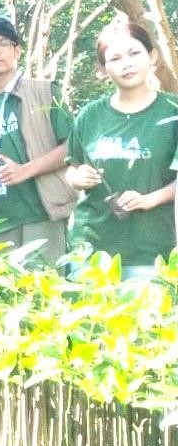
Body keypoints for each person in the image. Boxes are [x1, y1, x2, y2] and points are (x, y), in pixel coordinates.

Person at [63, 18, 178, 274]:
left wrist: (149, 200)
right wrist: (78, 177)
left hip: (152, 249)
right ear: (103, 69)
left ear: (153, 56)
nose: (126, 63)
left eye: (134, 53)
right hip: (91, 249)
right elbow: (72, 167)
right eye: (114, 59)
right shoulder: (90, 115)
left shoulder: (173, 111)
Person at [0, 15, 75, 262]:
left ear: (17, 51)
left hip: (43, 213)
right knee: (4, 296)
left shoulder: (44, 91)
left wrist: (26, 170)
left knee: (44, 290)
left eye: (2, 44)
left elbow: (72, 147)